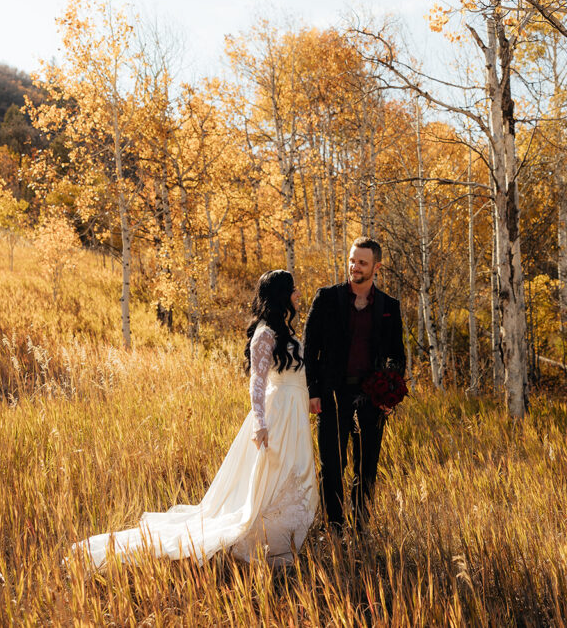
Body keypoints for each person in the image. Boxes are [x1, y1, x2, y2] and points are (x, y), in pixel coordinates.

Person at [70, 270, 318, 569]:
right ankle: (264, 539)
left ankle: (283, 537)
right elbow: (256, 381)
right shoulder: (265, 334)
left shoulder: (286, 331)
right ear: (281, 295)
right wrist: (260, 423)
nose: (298, 293)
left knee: (295, 472)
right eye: (293, 288)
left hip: (294, 414)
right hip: (276, 413)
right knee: (271, 476)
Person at [303, 237, 406, 534]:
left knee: (366, 469)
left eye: (362, 262)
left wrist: (390, 395)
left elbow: (397, 356)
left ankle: (360, 528)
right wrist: (313, 391)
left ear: (376, 266)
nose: (354, 267)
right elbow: (309, 349)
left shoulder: (389, 306)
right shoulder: (326, 299)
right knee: (332, 468)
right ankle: (334, 528)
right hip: (333, 396)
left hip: (371, 399)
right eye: (351, 260)